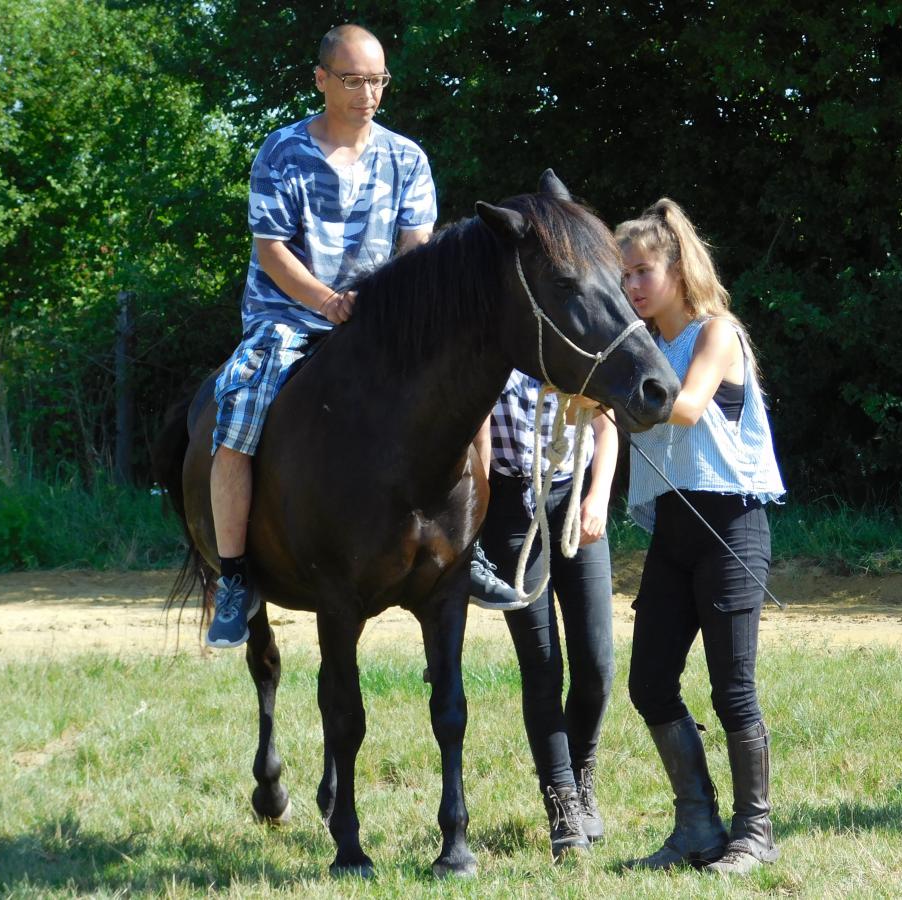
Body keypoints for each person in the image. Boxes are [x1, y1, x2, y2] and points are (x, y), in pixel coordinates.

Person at [206, 24, 517, 649]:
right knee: (238, 408)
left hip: (380, 324)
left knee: (473, 400)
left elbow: (416, 253)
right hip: (289, 316)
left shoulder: (407, 158)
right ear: (321, 80)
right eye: (353, 80)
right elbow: (271, 249)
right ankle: (235, 577)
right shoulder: (281, 151)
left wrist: (386, 314)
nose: (368, 94)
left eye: (377, 81)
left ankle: (469, 549)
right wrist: (328, 302)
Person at [615, 199, 785, 874]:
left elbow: (683, 408)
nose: (631, 285)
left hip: (731, 528)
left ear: (678, 269)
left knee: (732, 691)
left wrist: (608, 396)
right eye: (625, 275)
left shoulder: (718, 333)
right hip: (674, 531)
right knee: (649, 682)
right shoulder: (645, 346)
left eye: (642, 271)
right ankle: (697, 830)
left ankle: (755, 835)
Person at [480, 370, 619, 861]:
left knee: (597, 666)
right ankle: (562, 805)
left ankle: (582, 777)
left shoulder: (568, 345)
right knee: (541, 667)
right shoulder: (494, 349)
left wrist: (598, 497)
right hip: (510, 508)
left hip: (573, 492)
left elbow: (605, 425)